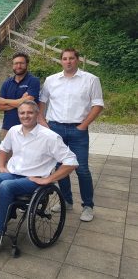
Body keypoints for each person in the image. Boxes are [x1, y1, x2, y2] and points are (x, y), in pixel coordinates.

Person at [0, 100, 78, 250]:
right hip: (14, 173)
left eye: (30, 112)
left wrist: (49, 179)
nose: (25, 116)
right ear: (18, 114)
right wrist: (1, 165)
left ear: (37, 114)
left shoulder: (49, 137)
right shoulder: (14, 130)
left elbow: (71, 162)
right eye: (22, 113)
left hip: (33, 179)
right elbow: (3, 148)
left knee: (5, 186)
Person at [39, 48, 104, 222]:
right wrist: (44, 123)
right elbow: (42, 102)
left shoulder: (90, 80)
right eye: (65, 58)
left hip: (78, 130)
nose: (68, 61)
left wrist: (83, 126)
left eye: (71, 58)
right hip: (55, 130)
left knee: (81, 169)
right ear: (61, 61)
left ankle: (88, 206)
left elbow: (98, 104)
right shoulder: (51, 80)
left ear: (77, 60)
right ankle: (66, 201)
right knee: (61, 168)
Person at [0, 52, 40, 140]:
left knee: (29, 153)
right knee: (5, 153)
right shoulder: (6, 83)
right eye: (16, 63)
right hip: (7, 128)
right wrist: (21, 100)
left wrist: (5, 101)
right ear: (12, 65)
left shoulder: (33, 81)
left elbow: (29, 104)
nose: (18, 66)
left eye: (21, 63)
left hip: (28, 128)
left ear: (27, 64)